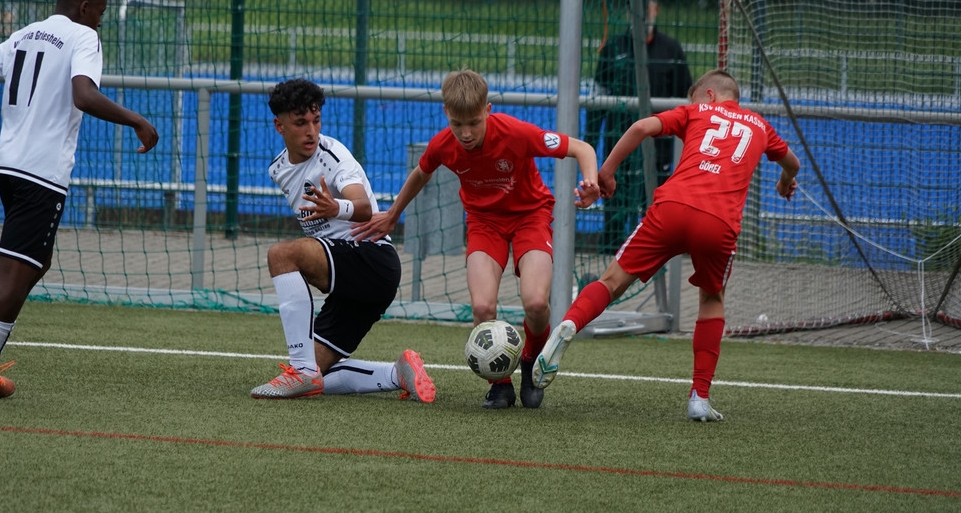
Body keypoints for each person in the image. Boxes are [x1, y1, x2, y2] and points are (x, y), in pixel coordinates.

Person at [532, 69, 800, 421]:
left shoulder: (696, 111)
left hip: (671, 208)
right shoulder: (761, 126)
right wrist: (785, 181)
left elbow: (641, 127)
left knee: (611, 282)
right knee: (712, 299)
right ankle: (699, 397)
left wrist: (606, 173)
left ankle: (569, 323)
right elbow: (792, 162)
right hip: (718, 222)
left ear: (708, 95)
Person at [0, 0, 159, 399]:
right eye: (101, 11)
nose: (101, 20)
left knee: (35, 265)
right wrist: (137, 120)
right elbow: (83, 95)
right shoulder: (83, 36)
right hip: (42, 175)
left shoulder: (23, 35)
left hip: (8, 169)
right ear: (85, 7)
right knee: (9, 282)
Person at [352, 69, 600, 409]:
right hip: (484, 223)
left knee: (536, 303)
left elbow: (582, 148)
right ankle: (499, 385)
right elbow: (421, 172)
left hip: (531, 217)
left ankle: (530, 362)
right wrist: (393, 214)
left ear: (488, 110)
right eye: (457, 124)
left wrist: (590, 182)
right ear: (446, 114)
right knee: (482, 307)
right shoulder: (443, 144)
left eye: (473, 123)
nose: (465, 133)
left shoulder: (516, 133)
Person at [249, 78, 436, 404]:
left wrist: (336, 208)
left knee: (281, 255)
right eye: (301, 123)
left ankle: (301, 371)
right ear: (280, 126)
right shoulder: (278, 169)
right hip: (348, 278)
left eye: (316, 120)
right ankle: (398, 373)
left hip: (372, 259)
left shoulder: (332, 156)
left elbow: (363, 207)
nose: (311, 131)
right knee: (320, 374)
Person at [586, 0, 692, 252]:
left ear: (656, 9)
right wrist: (590, 144)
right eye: (637, 7)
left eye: (648, 6)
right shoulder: (613, 47)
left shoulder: (672, 49)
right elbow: (598, 99)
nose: (643, 13)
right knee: (615, 210)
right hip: (619, 144)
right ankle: (610, 256)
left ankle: (653, 260)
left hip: (659, 149)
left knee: (655, 211)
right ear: (628, 11)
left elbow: (687, 104)